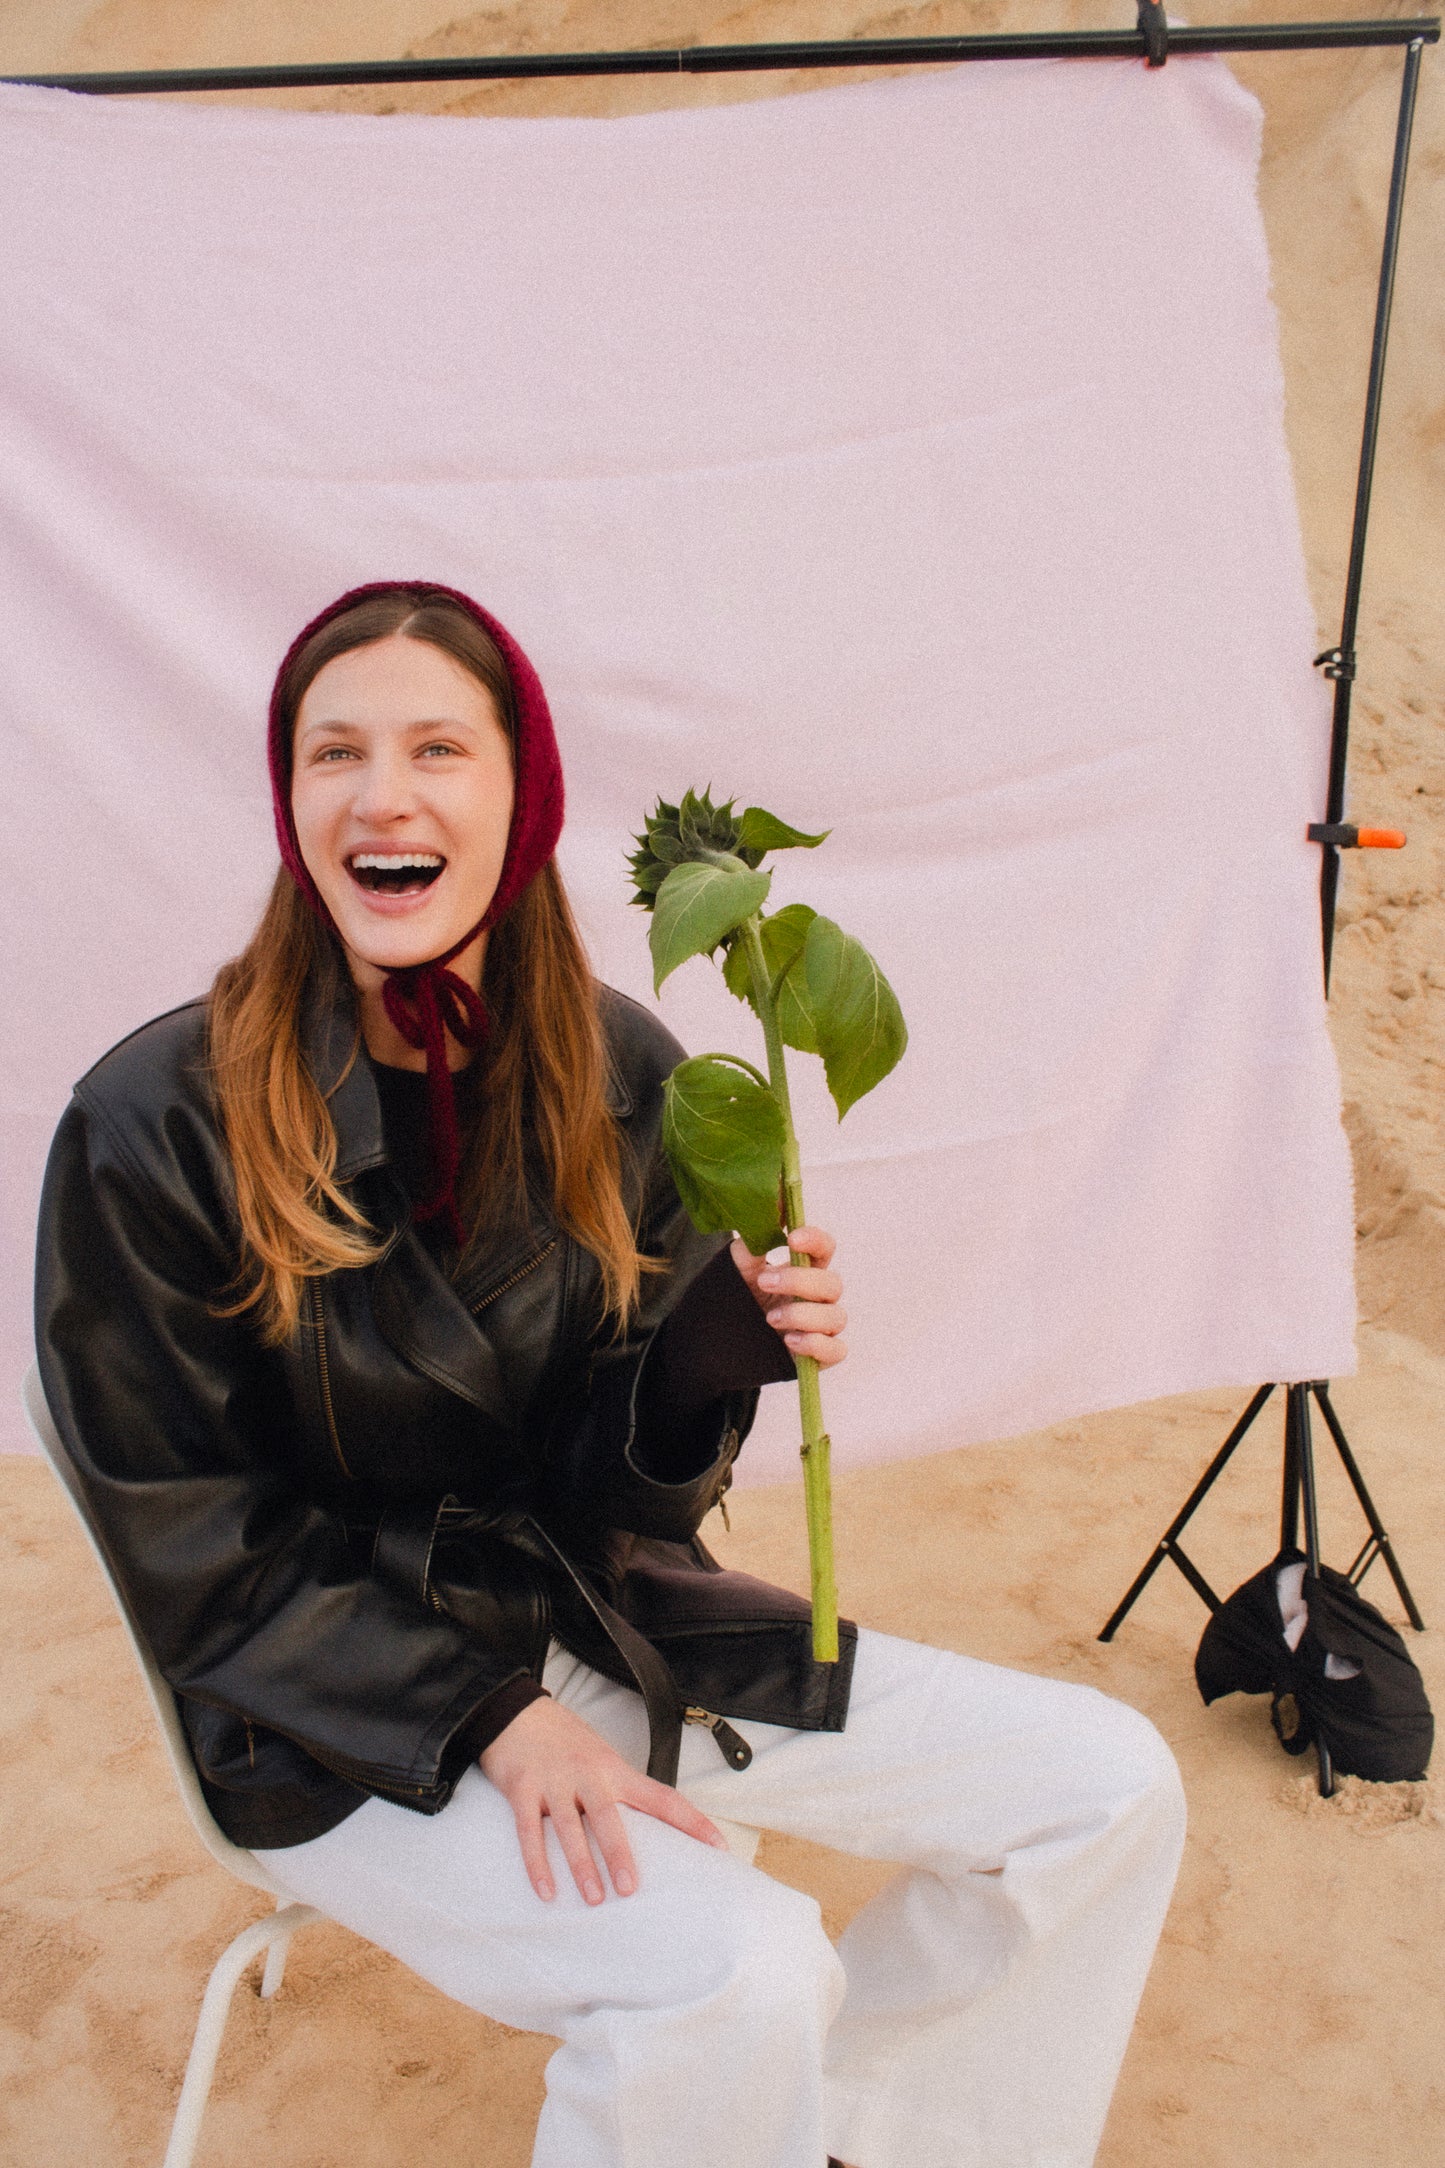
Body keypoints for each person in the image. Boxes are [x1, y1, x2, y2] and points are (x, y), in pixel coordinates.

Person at [35, 581, 1186, 2168]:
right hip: (343, 1718)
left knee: (1102, 1788)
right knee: (739, 1969)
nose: (383, 793)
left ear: (523, 795)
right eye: (333, 753)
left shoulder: (623, 1067)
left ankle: (868, 2135)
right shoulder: (155, 1124)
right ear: (289, 801)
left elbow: (606, 1481)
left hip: (609, 1615)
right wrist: (492, 1718)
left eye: (439, 747)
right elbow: (199, 1560)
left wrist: (702, 1360)